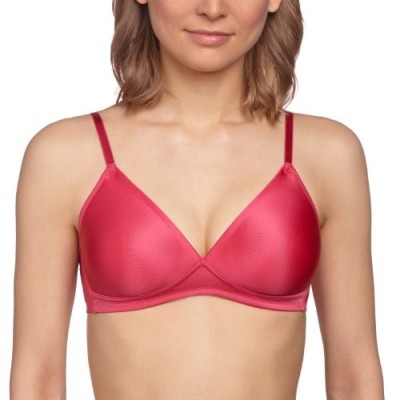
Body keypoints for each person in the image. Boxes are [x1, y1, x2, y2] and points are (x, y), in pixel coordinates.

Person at [10, 0, 384, 399]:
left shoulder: (327, 156)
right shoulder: (65, 157)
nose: (212, 8)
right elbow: (38, 377)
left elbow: (354, 375)